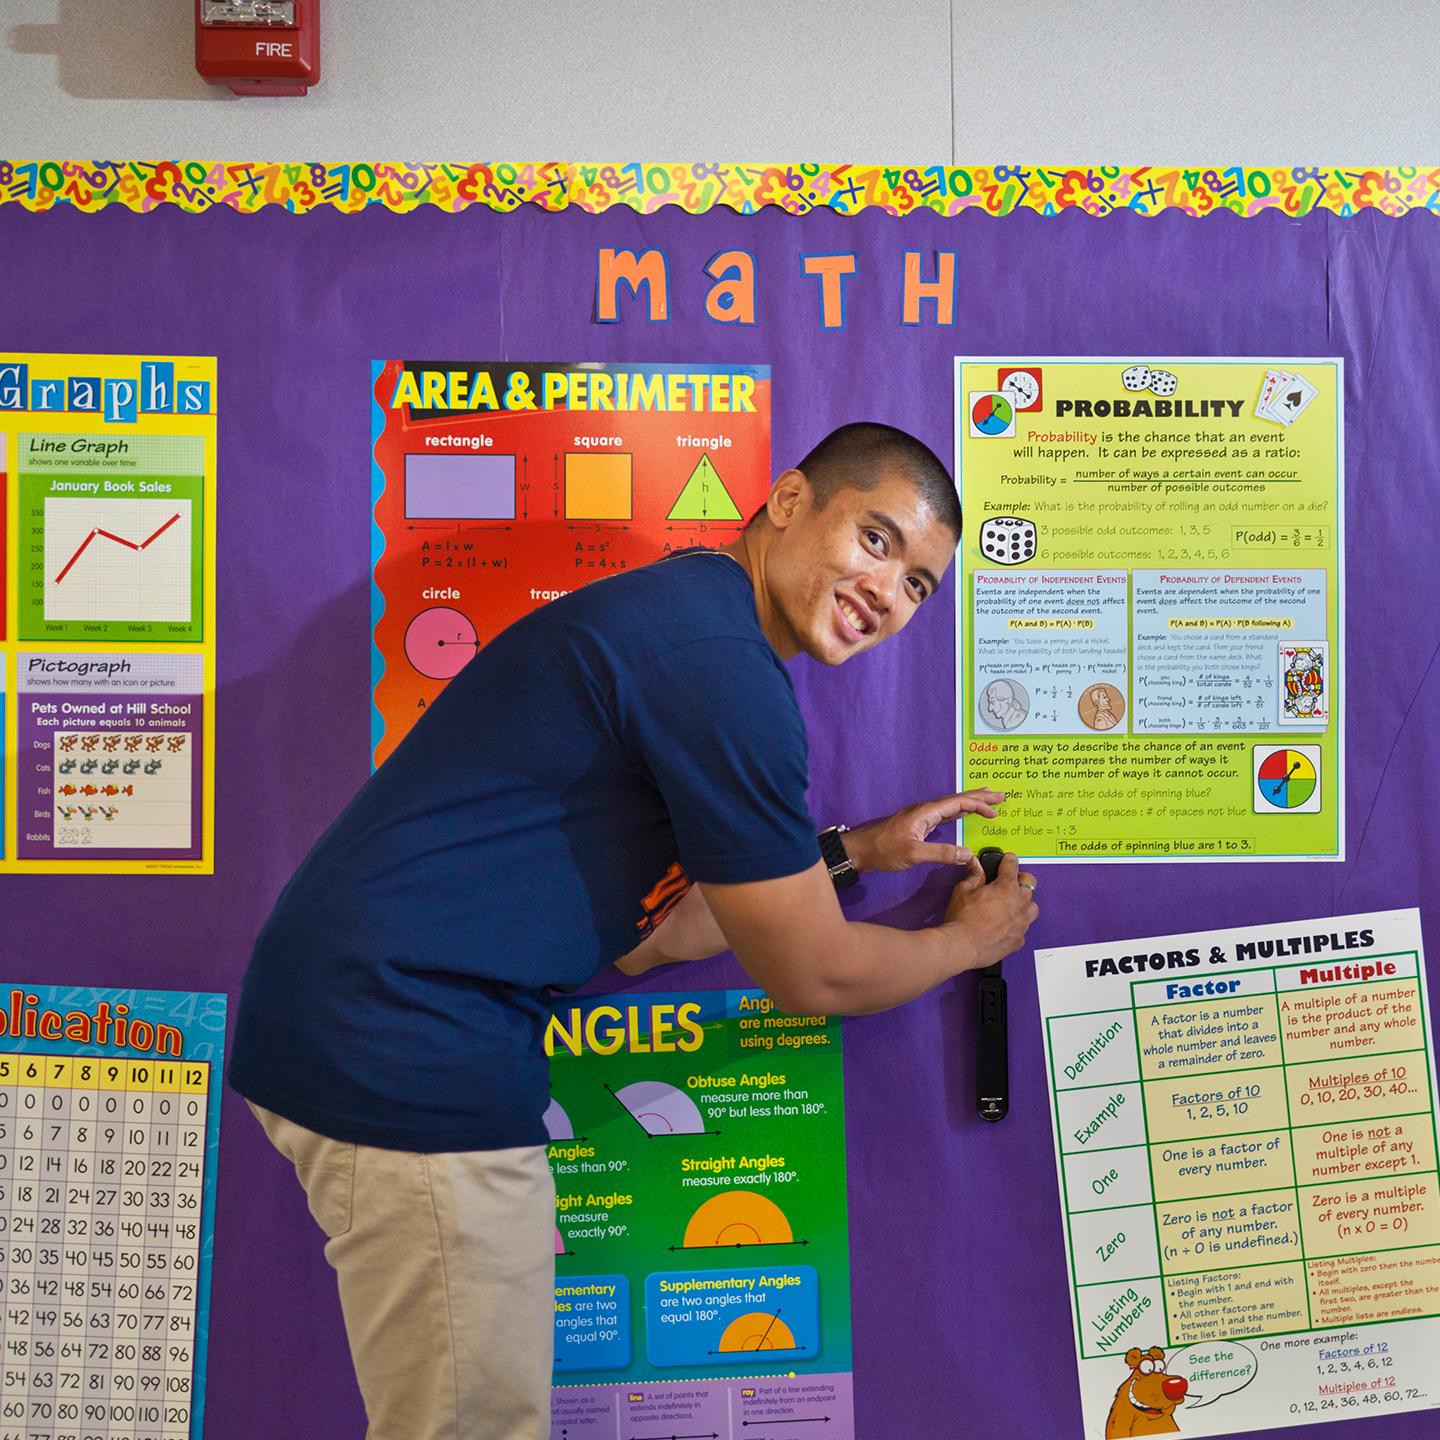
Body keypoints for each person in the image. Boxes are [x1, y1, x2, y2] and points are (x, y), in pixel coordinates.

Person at [229, 421, 1039, 1440]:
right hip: (405, 1039)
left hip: (372, 1022)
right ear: (789, 501)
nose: (887, 590)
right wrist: (972, 942)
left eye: (918, 584)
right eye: (876, 539)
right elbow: (815, 975)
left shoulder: (695, 622)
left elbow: (669, 929)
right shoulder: (719, 668)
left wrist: (852, 855)